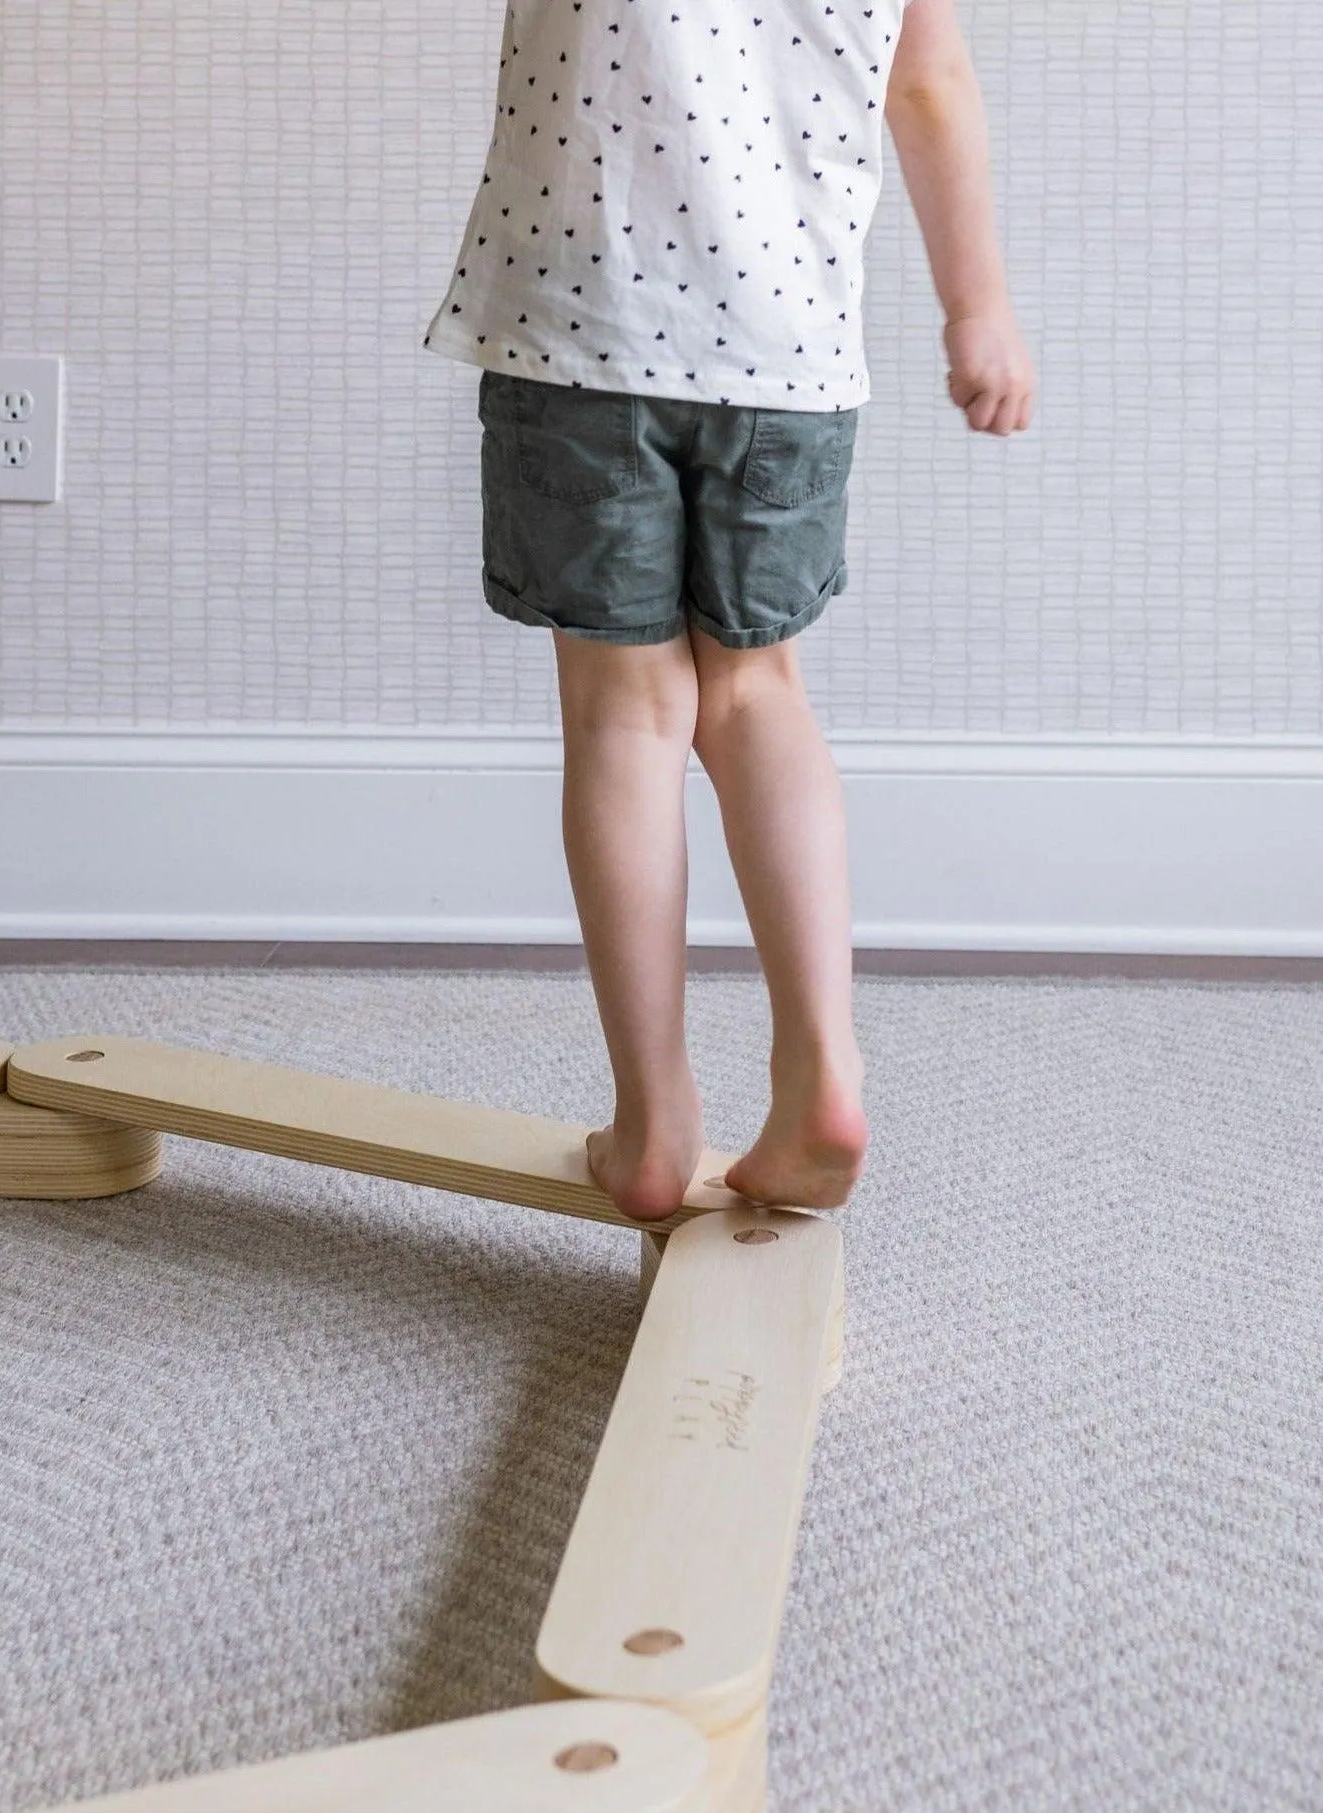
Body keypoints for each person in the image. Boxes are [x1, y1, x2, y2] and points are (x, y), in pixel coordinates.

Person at [426, 0, 1035, 1219]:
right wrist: (978, 307)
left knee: (624, 718)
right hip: (786, 338)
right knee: (757, 693)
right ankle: (822, 1064)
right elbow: (928, 80)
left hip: (579, 323)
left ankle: (652, 1122)